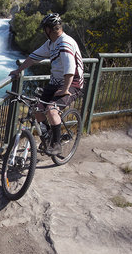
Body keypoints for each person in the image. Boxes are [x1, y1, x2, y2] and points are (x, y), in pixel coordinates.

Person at [9, 13, 84, 155]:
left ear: (49, 29)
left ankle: (56, 145)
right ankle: (50, 136)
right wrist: (19, 70)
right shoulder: (51, 43)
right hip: (56, 82)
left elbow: (69, 68)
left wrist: (65, 89)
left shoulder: (65, 43)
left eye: (45, 29)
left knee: (51, 109)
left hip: (73, 83)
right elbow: (33, 57)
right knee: (38, 110)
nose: (44, 32)